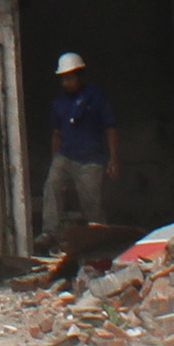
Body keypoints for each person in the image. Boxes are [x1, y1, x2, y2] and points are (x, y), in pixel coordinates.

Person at [40, 52, 116, 243]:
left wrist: (114, 159)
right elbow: (56, 133)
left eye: (70, 78)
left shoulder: (95, 96)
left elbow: (110, 127)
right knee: (52, 186)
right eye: (63, 79)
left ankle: (99, 237)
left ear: (80, 75)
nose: (66, 82)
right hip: (65, 156)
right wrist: (55, 160)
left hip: (91, 160)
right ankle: (50, 232)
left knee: (92, 201)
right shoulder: (59, 103)